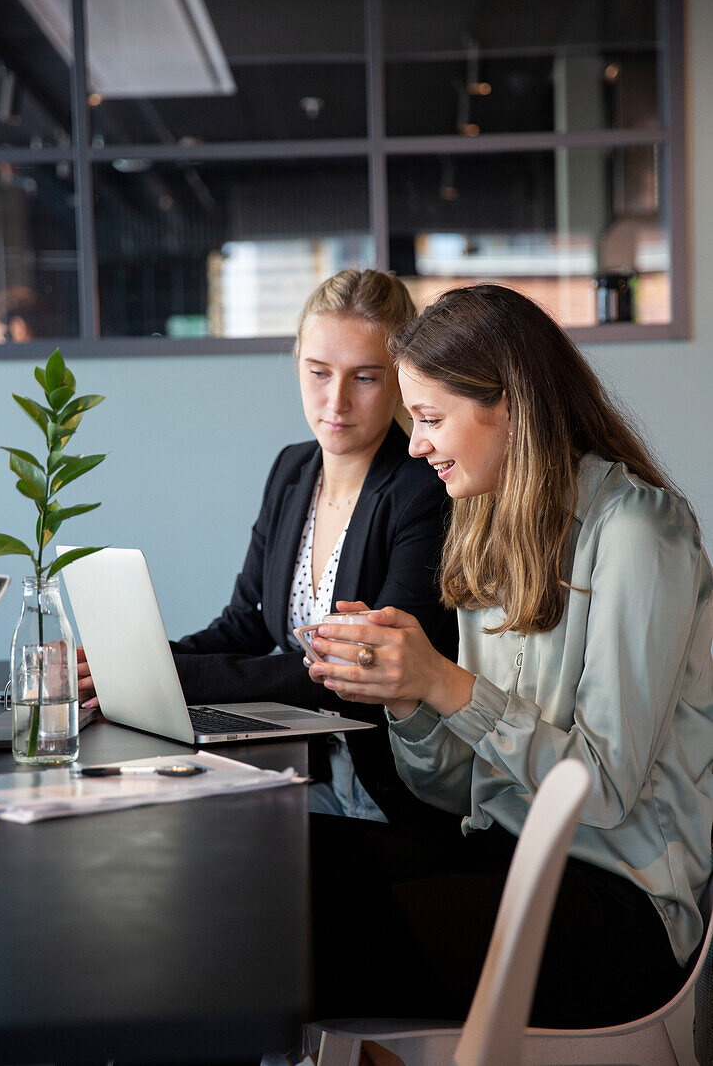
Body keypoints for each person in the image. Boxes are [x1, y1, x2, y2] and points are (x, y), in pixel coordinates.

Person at [304, 283, 713, 1032]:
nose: (416, 443)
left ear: (512, 406)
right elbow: (454, 791)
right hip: (503, 853)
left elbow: (603, 792)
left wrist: (447, 683)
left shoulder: (638, 533)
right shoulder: (488, 523)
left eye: (429, 419)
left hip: (620, 903)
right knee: (267, 871)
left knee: (298, 941)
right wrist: (407, 696)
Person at [78, 269, 457, 828]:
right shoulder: (292, 470)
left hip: (383, 792)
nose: (336, 401)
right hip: (292, 771)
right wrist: (132, 664)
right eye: (318, 372)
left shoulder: (423, 490)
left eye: (366, 378)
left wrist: (166, 680)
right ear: (298, 362)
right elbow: (242, 627)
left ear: (401, 379)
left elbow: (354, 674)